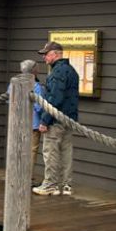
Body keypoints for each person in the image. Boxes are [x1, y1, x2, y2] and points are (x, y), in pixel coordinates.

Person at [32, 41, 79, 197]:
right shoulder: (72, 71)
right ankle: (67, 185)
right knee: (66, 152)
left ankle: (50, 184)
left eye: (46, 54)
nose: (44, 57)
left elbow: (55, 99)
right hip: (69, 120)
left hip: (56, 120)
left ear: (55, 54)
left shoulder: (57, 72)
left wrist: (45, 120)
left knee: (50, 151)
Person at [10, 60, 47, 184]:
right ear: (34, 72)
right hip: (33, 124)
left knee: (18, 149)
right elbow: (39, 107)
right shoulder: (36, 87)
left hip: (17, 123)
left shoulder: (13, 84)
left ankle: (17, 174)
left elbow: (8, 100)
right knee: (31, 151)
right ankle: (27, 177)